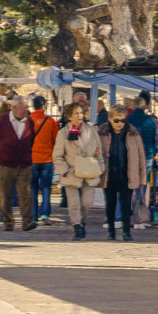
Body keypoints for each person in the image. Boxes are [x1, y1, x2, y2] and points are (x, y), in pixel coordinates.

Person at [56, 102, 105, 240]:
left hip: (89, 171)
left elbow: (99, 151)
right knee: (74, 203)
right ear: (70, 117)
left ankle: (81, 221)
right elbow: (57, 155)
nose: (79, 116)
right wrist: (64, 170)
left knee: (87, 202)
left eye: (81, 113)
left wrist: (100, 167)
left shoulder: (91, 131)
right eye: (76, 113)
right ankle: (76, 226)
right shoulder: (63, 133)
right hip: (71, 173)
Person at [0, 96, 37, 232]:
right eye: (22, 107)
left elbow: (31, 138)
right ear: (13, 107)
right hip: (6, 163)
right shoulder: (2, 121)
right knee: (6, 194)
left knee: (25, 193)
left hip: (24, 163)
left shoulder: (29, 121)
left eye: (26, 107)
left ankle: (27, 222)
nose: (24, 110)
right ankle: (8, 221)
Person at [98, 105, 146, 241]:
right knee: (110, 204)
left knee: (126, 205)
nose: (120, 123)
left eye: (122, 120)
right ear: (110, 119)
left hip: (127, 174)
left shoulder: (133, 133)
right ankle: (111, 231)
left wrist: (142, 179)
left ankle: (126, 231)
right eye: (116, 120)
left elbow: (141, 156)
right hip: (109, 174)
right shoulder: (102, 133)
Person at [27, 95, 58, 225]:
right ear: (44, 106)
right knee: (46, 188)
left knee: (33, 188)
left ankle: (33, 216)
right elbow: (56, 140)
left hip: (32, 159)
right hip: (47, 159)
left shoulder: (27, 121)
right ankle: (44, 214)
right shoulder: (50, 121)